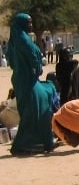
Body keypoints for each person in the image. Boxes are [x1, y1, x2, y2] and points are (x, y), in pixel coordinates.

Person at [6, 13, 58, 155]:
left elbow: (11, 60)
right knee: (38, 109)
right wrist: (37, 69)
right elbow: (33, 58)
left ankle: (40, 142)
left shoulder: (14, 40)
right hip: (28, 80)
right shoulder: (23, 40)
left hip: (22, 79)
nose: (31, 25)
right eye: (28, 23)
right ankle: (27, 144)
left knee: (33, 110)